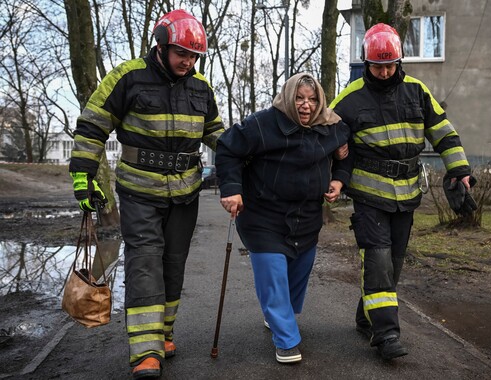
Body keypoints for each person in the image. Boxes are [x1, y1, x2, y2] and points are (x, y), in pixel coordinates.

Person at [68, 9, 224, 379]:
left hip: (185, 192)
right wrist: (82, 177)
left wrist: (248, 156)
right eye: (181, 54)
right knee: (145, 264)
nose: (187, 62)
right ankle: (145, 351)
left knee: (173, 264)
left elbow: (216, 133)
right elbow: (92, 125)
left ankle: (164, 333)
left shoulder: (201, 88)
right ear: (162, 45)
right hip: (139, 191)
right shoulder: (127, 77)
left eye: (193, 56)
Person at [329, 23, 476, 360]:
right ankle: (386, 335)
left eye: (389, 65)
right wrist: (334, 170)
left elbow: (444, 133)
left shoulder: (416, 91)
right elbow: (326, 137)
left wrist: (460, 171)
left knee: (392, 264)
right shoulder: (349, 99)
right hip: (368, 195)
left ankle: (366, 316)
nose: (383, 72)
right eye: (377, 66)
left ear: (399, 61)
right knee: (378, 259)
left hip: (406, 195)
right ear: (366, 63)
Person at [215, 73, 350, 364]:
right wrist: (232, 189)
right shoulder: (262, 124)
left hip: (307, 216)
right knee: (273, 273)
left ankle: (279, 315)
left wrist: (340, 178)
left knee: (298, 272)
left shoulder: (330, 127)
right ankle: (286, 339)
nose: (306, 105)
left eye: (312, 99)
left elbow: (347, 152)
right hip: (263, 215)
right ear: (288, 98)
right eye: (299, 98)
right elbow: (227, 148)